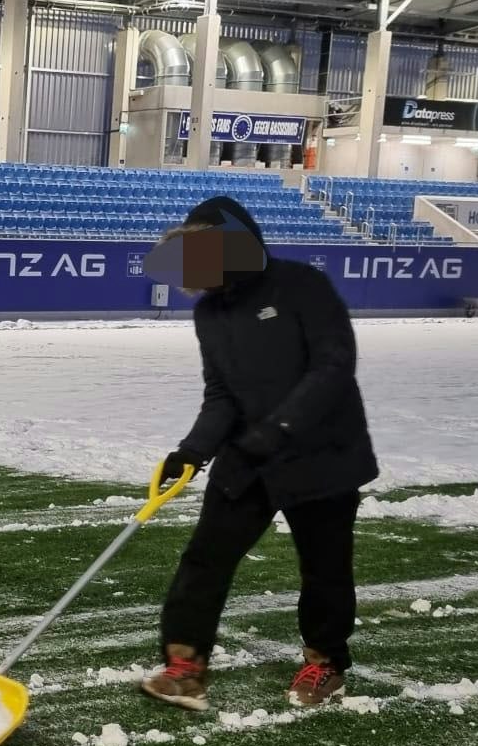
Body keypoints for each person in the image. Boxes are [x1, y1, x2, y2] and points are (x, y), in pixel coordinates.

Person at [138, 196, 378, 711]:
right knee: (206, 556)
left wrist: (280, 427)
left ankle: (326, 661)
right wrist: (192, 449)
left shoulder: (301, 287)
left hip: (323, 452)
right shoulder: (210, 313)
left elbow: (334, 366)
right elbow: (221, 393)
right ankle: (185, 664)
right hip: (249, 455)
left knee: (324, 566)